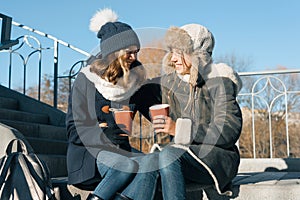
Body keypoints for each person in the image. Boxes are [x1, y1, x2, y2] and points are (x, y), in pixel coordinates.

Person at [66, 8, 161, 200]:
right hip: (89, 155)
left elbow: (154, 108)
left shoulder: (134, 79)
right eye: (129, 53)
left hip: (121, 151)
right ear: (114, 52)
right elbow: (72, 129)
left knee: (149, 166)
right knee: (126, 165)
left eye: (136, 52)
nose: (135, 58)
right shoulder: (87, 80)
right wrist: (104, 133)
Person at [151, 24, 243, 199]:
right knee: (149, 164)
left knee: (169, 156)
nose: (173, 59)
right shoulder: (175, 85)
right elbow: (138, 89)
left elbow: (229, 130)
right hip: (185, 156)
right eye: (172, 52)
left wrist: (178, 129)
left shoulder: (219, 80)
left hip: (219, 159)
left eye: (179, 53)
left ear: (196, 55)